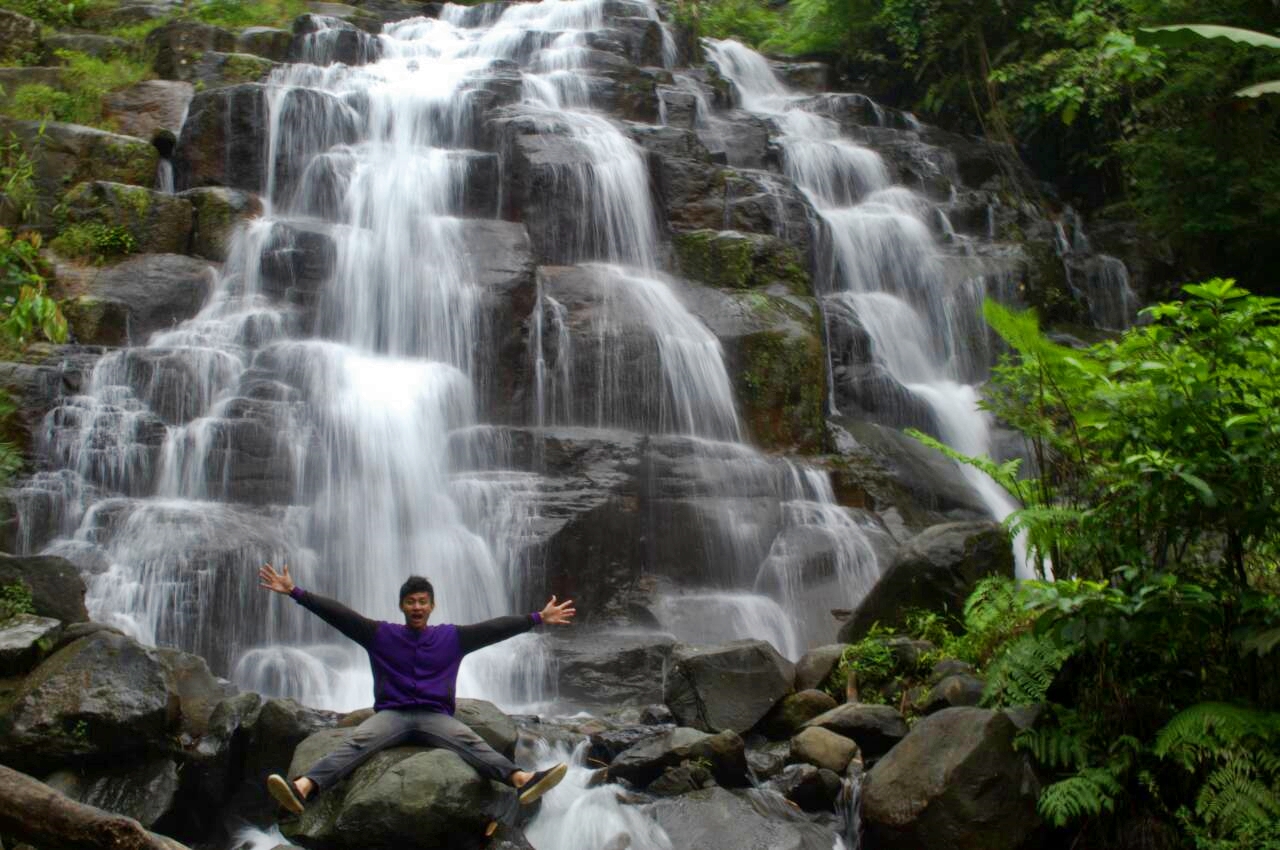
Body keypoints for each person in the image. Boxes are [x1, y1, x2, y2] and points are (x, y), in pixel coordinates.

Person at [258, 562, 575, 817]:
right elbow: (340, 616)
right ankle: (302, 787)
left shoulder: (451, 638)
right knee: (359, 741)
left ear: (432, 605)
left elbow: (494, 629)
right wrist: (295, 592)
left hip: (434, 716)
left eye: (423, 601)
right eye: (411, 602)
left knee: (470, 740)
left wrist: (537, 617)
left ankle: (520, 780)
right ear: (402, 606)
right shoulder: (380, 635)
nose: (417, 606)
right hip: (393, 715)